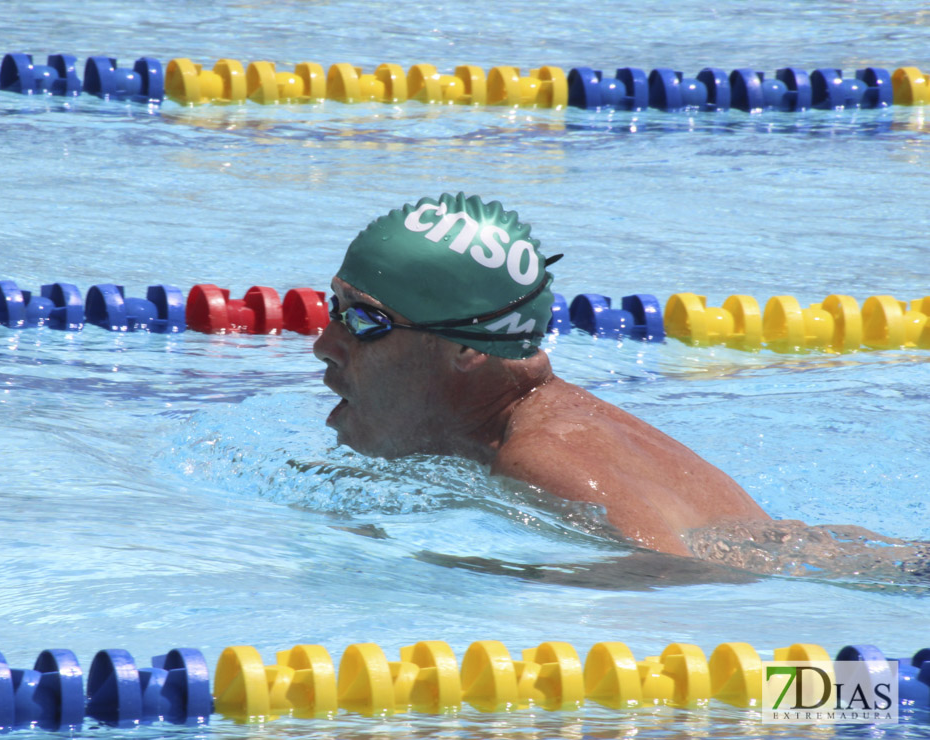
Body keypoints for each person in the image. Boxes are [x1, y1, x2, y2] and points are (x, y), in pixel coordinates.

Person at [312, 192, 770, 558]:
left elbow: (680, 584)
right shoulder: (537, 432)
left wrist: (442, 565)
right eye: (336, 307)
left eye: (366, 320)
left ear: (469, 348)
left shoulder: (542, 460)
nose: (324, 345)